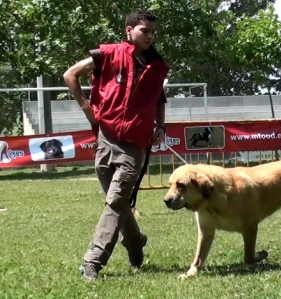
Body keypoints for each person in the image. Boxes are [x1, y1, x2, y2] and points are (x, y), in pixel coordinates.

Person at [63, 8, 169, 281]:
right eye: (144, 30)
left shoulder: (157, 67)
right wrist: (88, 110)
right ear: (129, 31)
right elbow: (70, 75)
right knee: (118, 203)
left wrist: (160, 126)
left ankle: (93, 261)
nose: (150, 36)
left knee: (115, 202)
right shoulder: (107, 54)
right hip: (105, 139)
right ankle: (135, 241)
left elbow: (159, 99)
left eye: (153, 32)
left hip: (135, 145)